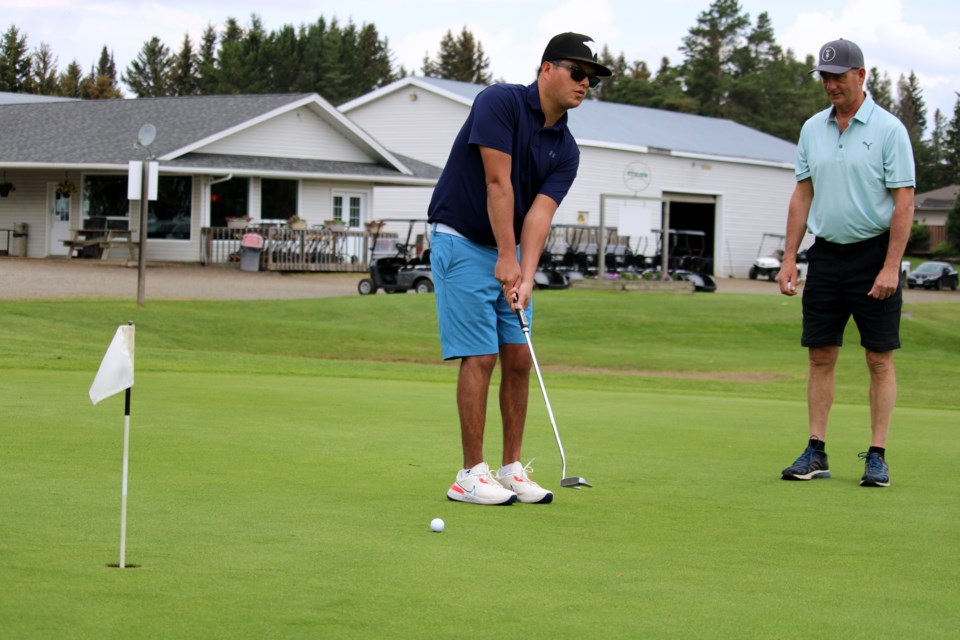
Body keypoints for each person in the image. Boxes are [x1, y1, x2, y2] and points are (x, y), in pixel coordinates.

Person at [427, 33, 611, 505]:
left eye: (591, 77)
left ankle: (510, 469)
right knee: (481, 355)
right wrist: (506, 257)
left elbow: (540, 214)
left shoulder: (566, 149)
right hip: (462, 240)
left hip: (508, 250)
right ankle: (469, 475)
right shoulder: (500, 103)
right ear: (547, 68)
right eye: (577, 71)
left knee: (518, 357)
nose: (585, 82)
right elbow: (497, 183)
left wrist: (526, 275)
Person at [778, 38, 915, 487]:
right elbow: (803, 195)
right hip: (827, 255)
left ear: (861, 75)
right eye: (825, 77)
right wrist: (789, 258)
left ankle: (877, 455)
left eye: (839, 76)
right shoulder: (812, 128)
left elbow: (904, 203)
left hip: (874, 255)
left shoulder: (890, 129)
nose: (831, 84)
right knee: (821, 354)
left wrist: (891, 265)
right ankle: (816, 451)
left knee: (878, 358)